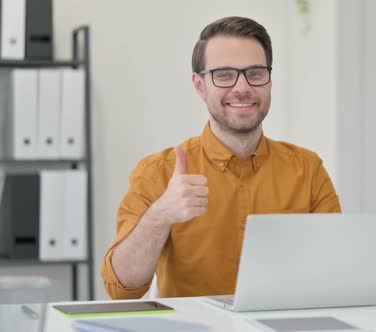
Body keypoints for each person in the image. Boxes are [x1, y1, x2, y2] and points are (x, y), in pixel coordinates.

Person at [101, 16, 341, 299]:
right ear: (200, 85)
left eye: (255, 73)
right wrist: (161, 214)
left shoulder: (308, 169)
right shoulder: (157, 173)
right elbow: (121, 289)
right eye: (224, 75)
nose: (242, 88)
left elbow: (337, 273)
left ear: (269, 81)